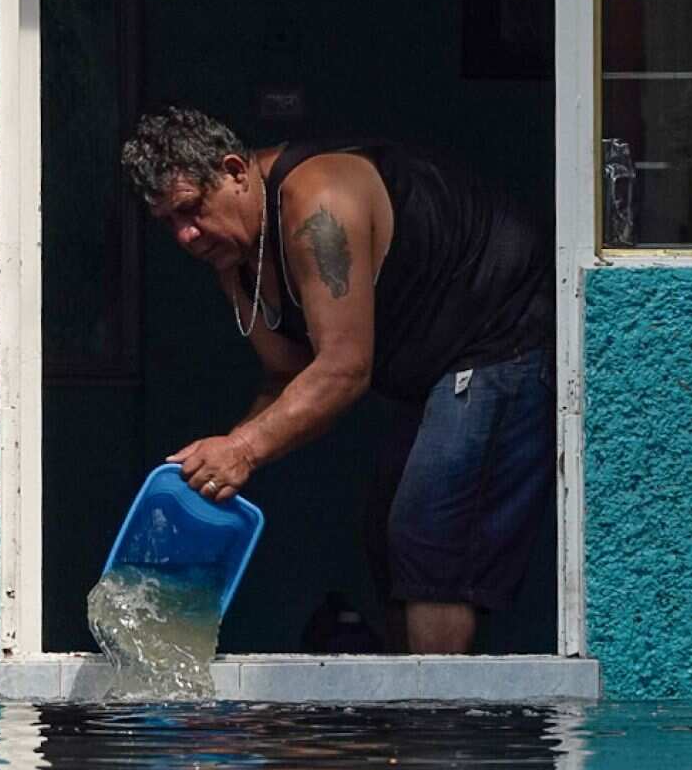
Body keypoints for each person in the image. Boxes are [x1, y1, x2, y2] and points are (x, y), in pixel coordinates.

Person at [120, 106, 554, 654]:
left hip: (502, 334)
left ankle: (440, 733)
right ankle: (408, 721)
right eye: (168, 222)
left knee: (428, 534)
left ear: (234, 171)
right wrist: (211, 467)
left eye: (189, 210)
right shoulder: (232, 253)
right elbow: (286, 374)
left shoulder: (316, 204)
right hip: (433, 367)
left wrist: (244, 451)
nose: (185, 235)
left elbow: (344, 369)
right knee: (385, 537)